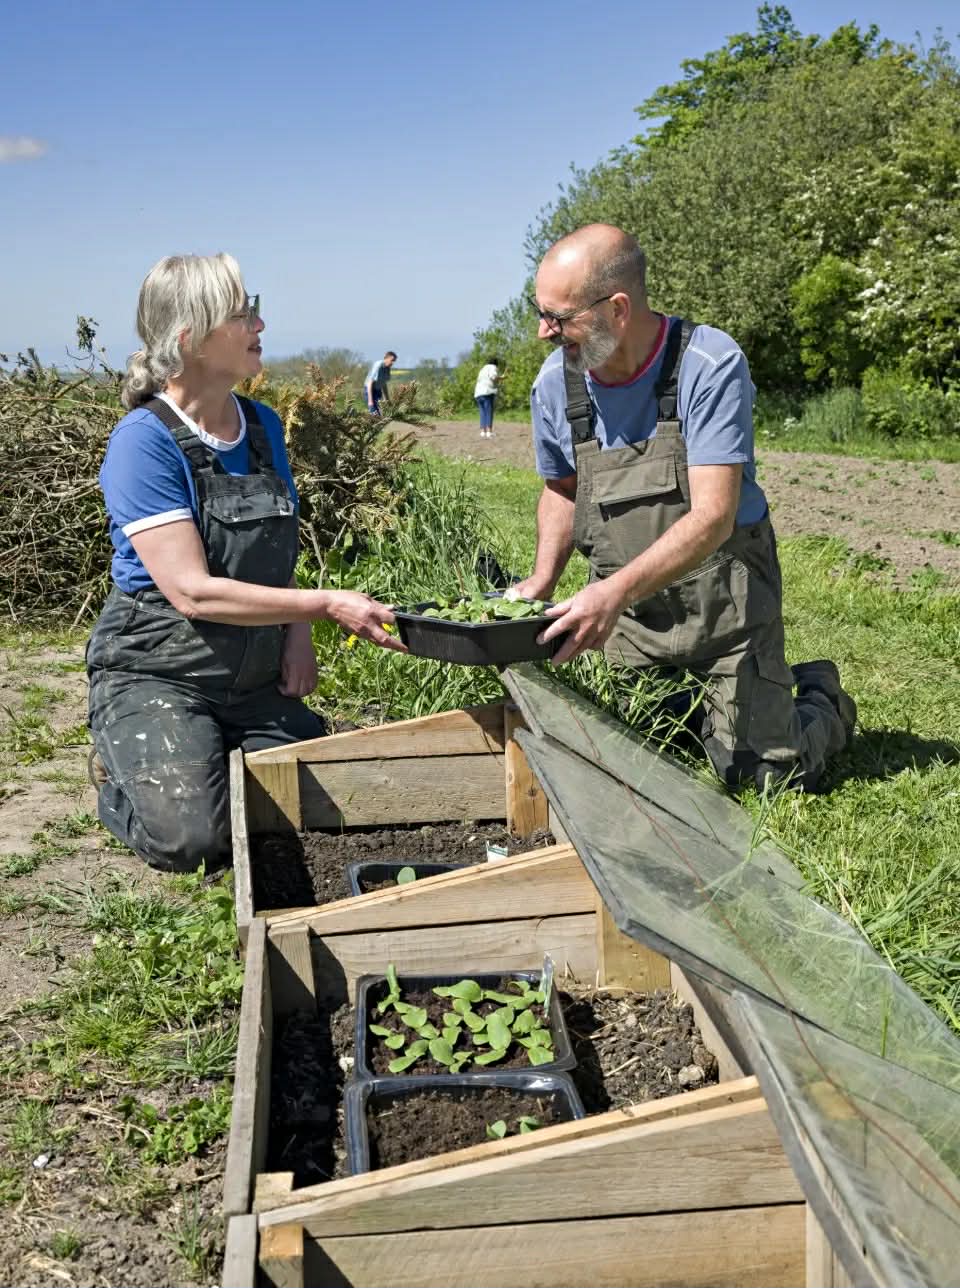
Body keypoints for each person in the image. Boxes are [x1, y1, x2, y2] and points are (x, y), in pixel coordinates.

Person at [86, 254, 407, 873]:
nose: (260, 323)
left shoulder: (261, 427)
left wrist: (298, 634)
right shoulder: (143, 442)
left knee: (337, 805)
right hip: (160, 673)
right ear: (191, 337)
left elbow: (271, 552)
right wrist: (324, 604)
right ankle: (123, 768)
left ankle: (218, 747)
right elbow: (192, 594)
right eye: (244, 312)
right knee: (196, 843)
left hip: (253, 679)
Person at [514, 223, 856, 792]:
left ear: (618, 309)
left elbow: (714, 516)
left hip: (725, 609)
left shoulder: (707, 363)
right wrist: (543, 580)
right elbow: (562, 489)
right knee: (638, 759)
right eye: (540, 311)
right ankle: (712, 700)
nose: (543, 331)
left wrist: (612, 590)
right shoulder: (556, 384)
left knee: (765, 774)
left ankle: (820, 694)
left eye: (559, 317)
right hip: (632, 625)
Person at [474, 355, 501, 438]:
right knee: (489, 411)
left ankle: (483, 432)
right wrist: (501, 378)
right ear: (496, 364)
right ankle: (489, 432)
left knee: (482, 412)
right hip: (487, 392)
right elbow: (493, 377)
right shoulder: (493, 367)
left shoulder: (482, 369)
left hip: (478, 393)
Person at [364, 350, 397, 415]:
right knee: (374, 412)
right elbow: (370, 383)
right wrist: (370, 401)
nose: (392, 363)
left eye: (394, 361)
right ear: (386, 358)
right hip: (370, 390)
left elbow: (383, 384)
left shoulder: (387, 368)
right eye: (392, 360)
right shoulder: (378, 365)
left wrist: (387, 399)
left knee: (381, 412)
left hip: (378, 390)